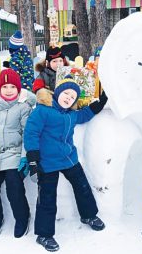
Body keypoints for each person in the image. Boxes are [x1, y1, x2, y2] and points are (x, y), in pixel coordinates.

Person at [24, 76, 108, 252]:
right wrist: (33, 159)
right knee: (47, 198)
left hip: (69, 158)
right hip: (47, 162)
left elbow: (85, 114)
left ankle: (89, 215)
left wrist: (101, 102)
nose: (68, 98)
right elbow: (31, 133)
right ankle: (44, 234)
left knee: (82, 186)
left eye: (72, 97)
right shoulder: (43, 111)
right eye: (66, 93)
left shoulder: (71, 115)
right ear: (57, 93)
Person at [0, 68, 36, 237]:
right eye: (5, 87)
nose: (8, 90)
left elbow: (28, 134)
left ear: (18, 89)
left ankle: (22, 218)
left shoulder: (24, 108)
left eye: (12, 87)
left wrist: (25, 157)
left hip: (15, 155)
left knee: (14, 186)